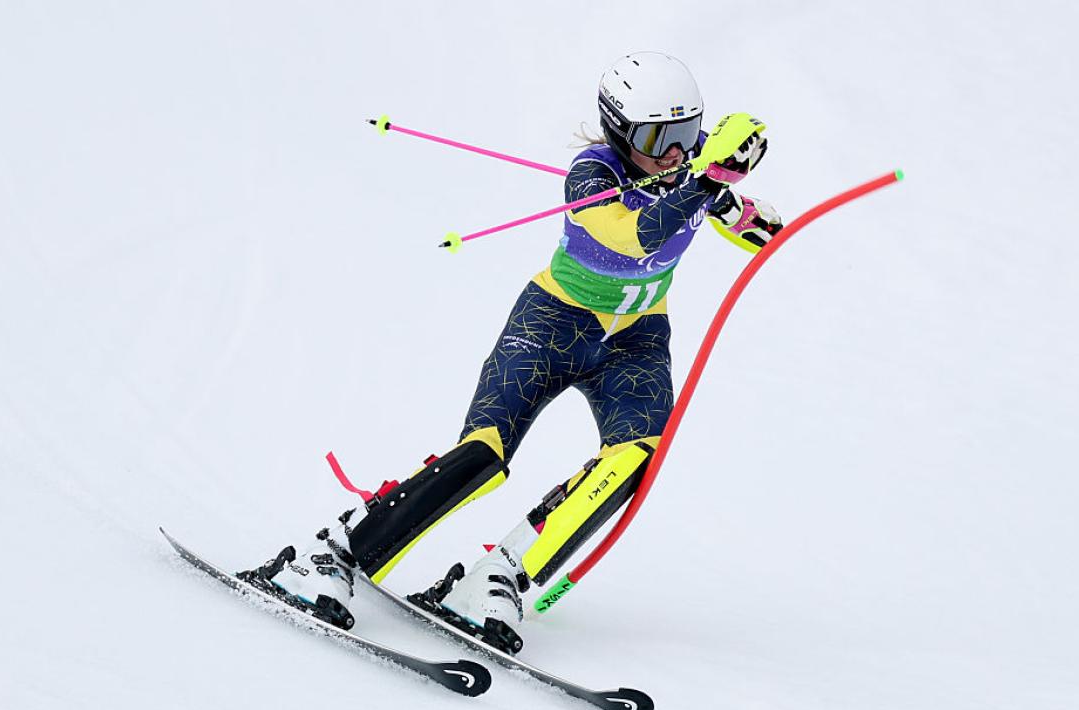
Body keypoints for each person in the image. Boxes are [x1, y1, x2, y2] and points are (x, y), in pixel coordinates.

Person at [241, 52, 784, 654]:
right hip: (553, 323)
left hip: (636, 338)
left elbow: (756, 227)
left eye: (687, 133)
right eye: (659, 137)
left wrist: (740, 195)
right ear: (618, 130)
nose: (676, 151)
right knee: (484, 456)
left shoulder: (688, 168)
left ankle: (500, 577)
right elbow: (634, 239)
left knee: (636, 456)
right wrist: (708, 180)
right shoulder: (592, 174)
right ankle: (333, 554)